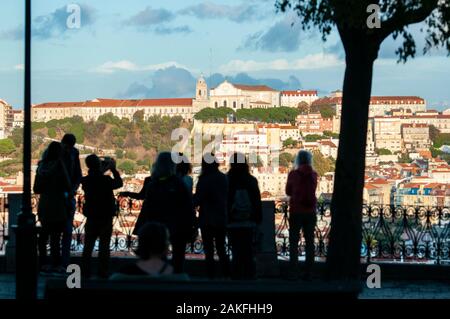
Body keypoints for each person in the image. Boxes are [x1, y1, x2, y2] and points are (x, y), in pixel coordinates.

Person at [133, 152, 195, 274]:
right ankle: (176, 281)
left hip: (158, 227)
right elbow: (188, 207)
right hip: (178, 227)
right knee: (178, 258)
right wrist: (192, 225)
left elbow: (148, 208)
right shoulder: (179, 184)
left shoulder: (152, 185)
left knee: (158, 256)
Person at [81, 154, 123, 278]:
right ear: (98, 165)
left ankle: (85, 272)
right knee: (104, 246)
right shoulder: (106, 180)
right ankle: (103, 272)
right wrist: (113, 169)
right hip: (105, 216)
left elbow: (94, 176)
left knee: (88, 246)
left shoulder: (86, 181)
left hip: (92, 216)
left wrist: (102, 168)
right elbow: (119, 183)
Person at [34, 141, 72, 275]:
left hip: (45, 206)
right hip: (58, 206)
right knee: (56, 238)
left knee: (43, 238)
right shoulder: (60, 167)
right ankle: (56, 264)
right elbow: (68, 185)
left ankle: (43, 264)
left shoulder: (41, 167)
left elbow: (36, 189)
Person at [227, 152, 262, 280]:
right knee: (248, 251)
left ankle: (236, 276)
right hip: (249, 221)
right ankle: (249, 277)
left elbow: (226, 201)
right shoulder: (251, 181)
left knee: (236, 251)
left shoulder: (228, 180)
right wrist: (258, 219)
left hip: (232, 221)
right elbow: (257, 201)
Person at [194, 154, 230, 279]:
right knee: (221, 248)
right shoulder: (223, 178)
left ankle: (211, 276)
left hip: (207, 219)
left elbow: (197, 199)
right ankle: (226, 275)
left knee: (208, 250)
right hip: (221, 217)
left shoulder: (204, 179)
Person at [286, 150, 318, 281]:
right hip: (310, 211)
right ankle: (309, 272)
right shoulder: (314, 175)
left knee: (293, 242)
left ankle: (294, 271)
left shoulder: (293, 174)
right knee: (310, 242)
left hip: (296, 211)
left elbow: (288, 191)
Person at [60, 133, 82, 268]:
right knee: (64, 231)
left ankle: (63, 262)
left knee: (65, 230)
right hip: (65, 195)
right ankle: (63, 262)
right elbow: (78, 174)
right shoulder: (71, 153)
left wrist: (73, 189)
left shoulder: (74, 152)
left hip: (66, 195)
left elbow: (78, 174)